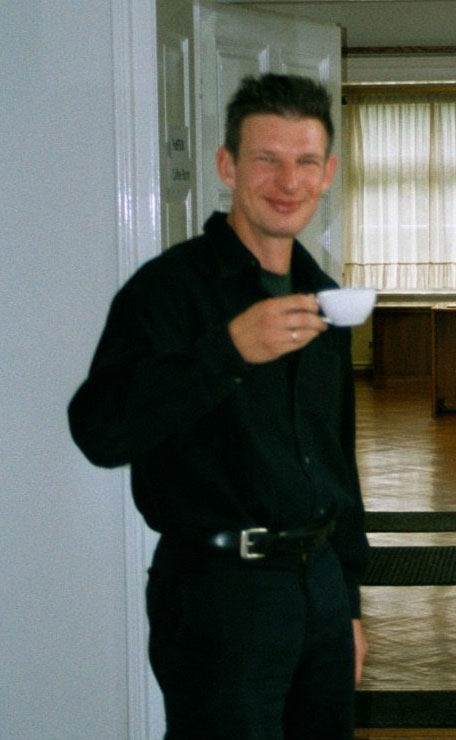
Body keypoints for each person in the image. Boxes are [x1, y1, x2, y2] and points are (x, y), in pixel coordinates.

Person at [68, 73, 369, 739]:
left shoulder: (323, 297)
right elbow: (98, 431)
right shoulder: (168, 291)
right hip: (217, 592)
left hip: (316, 585)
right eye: (266, 159)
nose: (287, 181)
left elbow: (337, 460)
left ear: (328, 174)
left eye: (305, 162)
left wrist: (345, 604)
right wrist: (227, 351)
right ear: (227, 165)